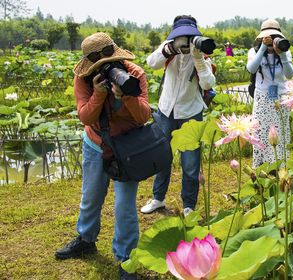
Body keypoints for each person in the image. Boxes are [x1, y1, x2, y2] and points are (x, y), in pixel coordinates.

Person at [55, 32, 151, 280]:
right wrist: (99, 93)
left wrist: (126, 95)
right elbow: (85, 116)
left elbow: (143, 116)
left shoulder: (135, 74)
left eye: (109, 65)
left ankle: (126, 259)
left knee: (124, 207)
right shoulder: (84, 78)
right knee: (91, 197)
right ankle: (86, 239)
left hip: (127, 148)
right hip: (96, 143)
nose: (107, 70)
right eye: (99, 67)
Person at [141, 15, 216, 216]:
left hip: (190, 112)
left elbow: (208, 84)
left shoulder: (200, 55)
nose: (185, 40)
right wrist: (169, 49)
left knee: (190, 163)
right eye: (181, 36)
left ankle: (189, 206)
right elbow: (151, 63)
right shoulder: (168, 48)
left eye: (189, 36)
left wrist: (198, 58)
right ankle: (158, 198)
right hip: (166, 111)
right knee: (162, 156)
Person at [247, 19, 293, 167]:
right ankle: (262, 166)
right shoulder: (254, 51)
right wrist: (262, 48)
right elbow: (251, 69)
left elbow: (290, 74)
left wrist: (282, 55)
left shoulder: (285, 52)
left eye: (274, 36)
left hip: (280, 97)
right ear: (261, 37)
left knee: (280, 132)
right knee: (260, 132)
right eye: (268, 37)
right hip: (262, 97)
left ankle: (280, 166)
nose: (272, 40)